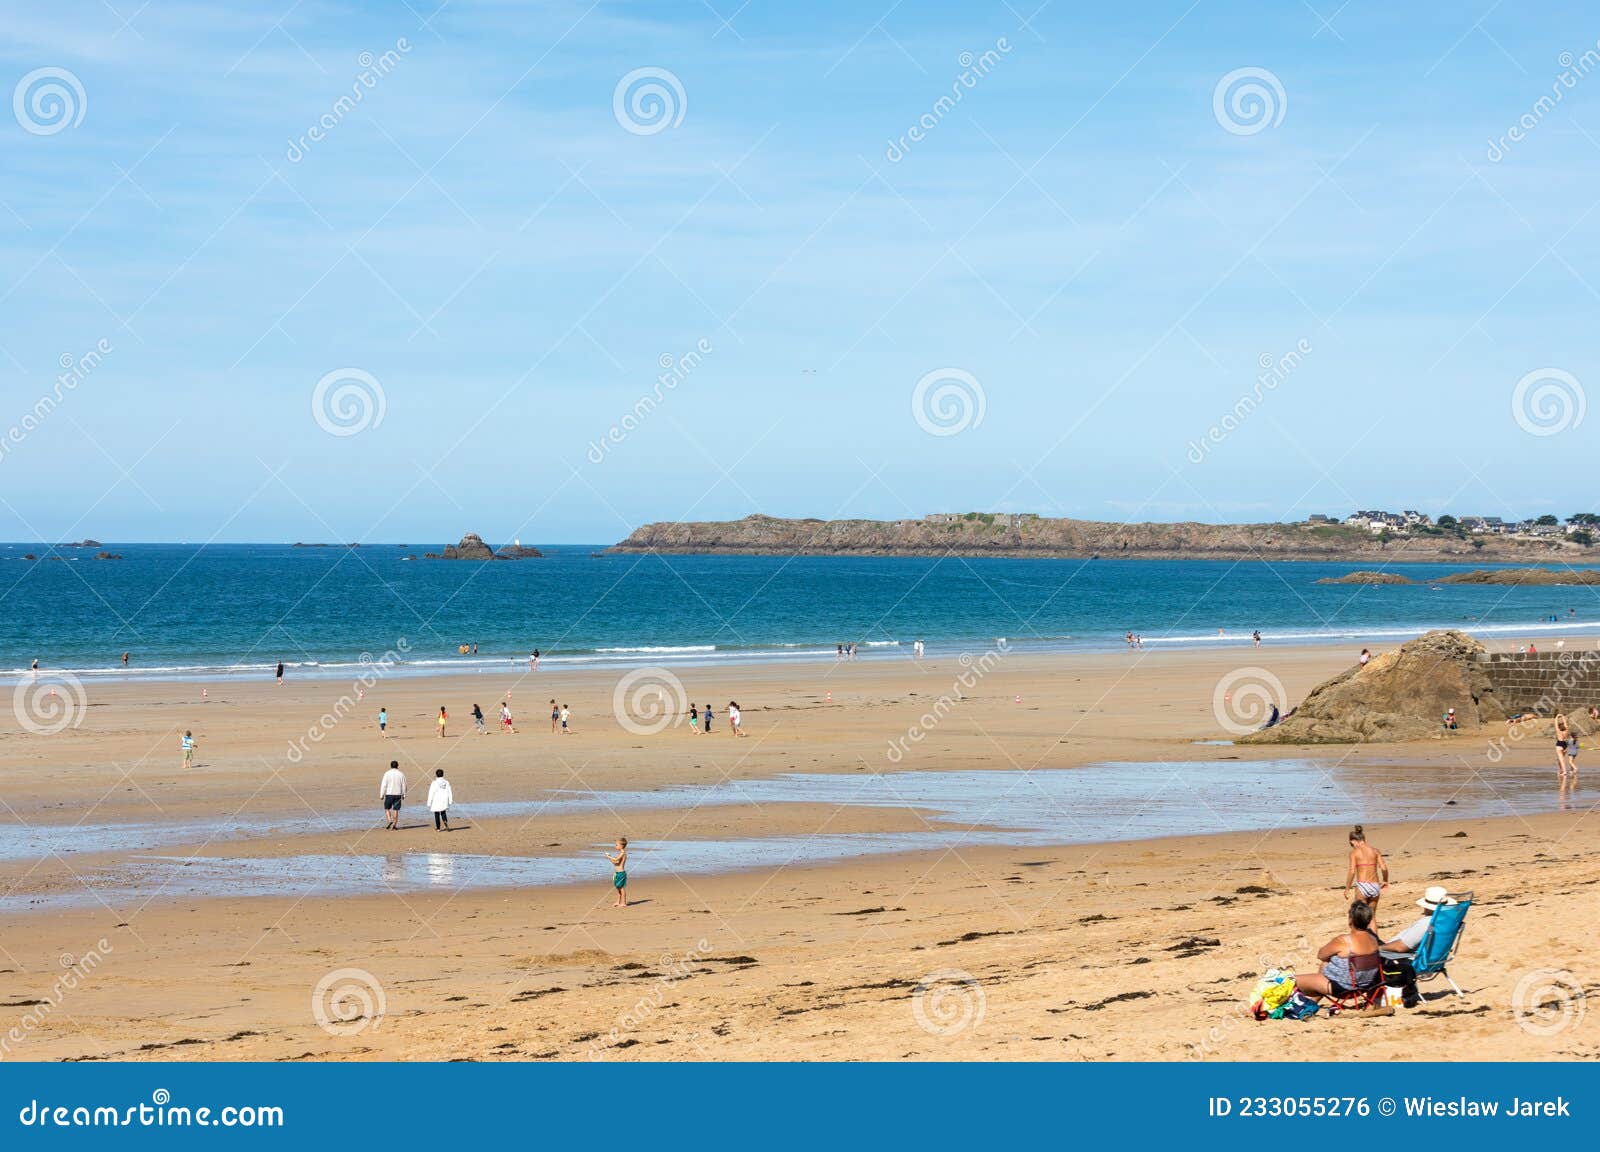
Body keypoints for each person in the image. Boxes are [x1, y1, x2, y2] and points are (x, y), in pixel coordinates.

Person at [1380, 886, 1456, 1008]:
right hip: (1436, 960)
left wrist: (1379, 948)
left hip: (1413, 961)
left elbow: (1401, 947)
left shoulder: (1427, 923)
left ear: (1427, 905)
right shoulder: (1447, 922)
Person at [1294, 900, 1383, 1002]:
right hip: (1365, 986)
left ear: (1350, 920)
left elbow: (1321, 955)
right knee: (1325, 963)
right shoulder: (1373, 939)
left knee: (1290, 980)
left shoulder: (1343, 940)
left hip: (1342, 988)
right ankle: (1313, 1001)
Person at [1345, 825, 1388, 914]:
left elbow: (1352, 871)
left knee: (1360, 916)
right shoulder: (1375, 851)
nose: (1353, 847)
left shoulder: (1354, 853)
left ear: (1353, 841)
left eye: (1352, 845)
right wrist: (1385, 880)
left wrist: (1347, 888)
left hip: (1362, 886)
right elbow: (1384, 868)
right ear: (1364, 840)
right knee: (1372, 916)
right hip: (1375, 886)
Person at [380, 761, 406, 830]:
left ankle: (389, 820)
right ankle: (394, 824)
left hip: (389, 794)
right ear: (397, 766)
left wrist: (381, 794)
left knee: (387, 808)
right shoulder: (401, 774)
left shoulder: (387, 773)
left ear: (390, 766)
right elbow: (404, 785)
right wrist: (404, 794)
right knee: (396, 810)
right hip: (398, 794)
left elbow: (384, 785)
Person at [606, 837, 629, 908]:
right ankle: (618, 901)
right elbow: (615, 862)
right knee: (618, 888)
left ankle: (624, 902)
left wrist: (609, 856)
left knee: (621, 888)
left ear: (621, 845)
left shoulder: (623, 853)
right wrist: (609, 858)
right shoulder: (620, 853)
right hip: (617, 873)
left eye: (616, 845)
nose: (615, 846)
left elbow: (616, 859)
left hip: (621, 873)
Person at [1555, 713, 1573, 778]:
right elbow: (1566, 724)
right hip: (1565, 745)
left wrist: (1556, 717)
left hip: (1559, 745)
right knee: (1559, 759)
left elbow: (1556, 725)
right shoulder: (1566, 730)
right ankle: (1560, 770)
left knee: (1561, 760)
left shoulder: (1558, 731)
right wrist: (1562, 717)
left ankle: (1564, 771)